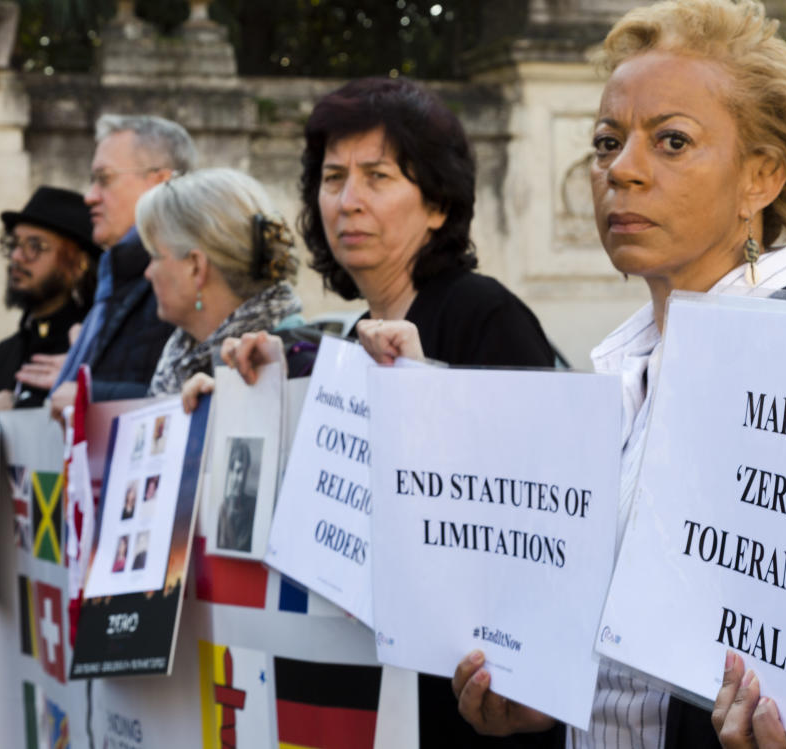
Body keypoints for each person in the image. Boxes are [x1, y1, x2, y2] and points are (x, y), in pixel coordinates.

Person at [437, 0, 786, 746]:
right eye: (608, 142)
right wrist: (545, 695)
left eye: (672, 141)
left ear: (760, 178)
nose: (621, 171)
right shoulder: (619, 376)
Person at [220, 77, 562, 749]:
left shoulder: (482, 316)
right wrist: (239, 399)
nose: (347, 201)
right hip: (379, 701)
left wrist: (423, 383)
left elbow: (535, 523)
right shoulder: (349, 339)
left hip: (471, 710)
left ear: (436, 204)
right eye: (333, 177)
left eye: (377, 176)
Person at [0, 185, 98, 707]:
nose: (18, 257)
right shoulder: (4, 354)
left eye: (36, 246)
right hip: (10, 589)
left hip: (67, 580)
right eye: (14, 245)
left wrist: (28, 414)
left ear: (75, 262)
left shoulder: (88, 349)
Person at [42, 114, 197, 414]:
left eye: (104, 179)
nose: (89, 197)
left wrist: (92, 396)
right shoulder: (118, 273)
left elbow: (191, 395)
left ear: (161, 183)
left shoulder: (181, 279)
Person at [133, 167, 303, 397]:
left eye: (154, 256)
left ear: (196, 266)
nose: (148, 272)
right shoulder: (183, 355)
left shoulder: (292, 364)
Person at [217, 439, 255, 552]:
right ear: (230, 472)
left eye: (244, 471)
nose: (241, 479)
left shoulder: (253, 506)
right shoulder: (221, 508)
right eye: (238, 471)